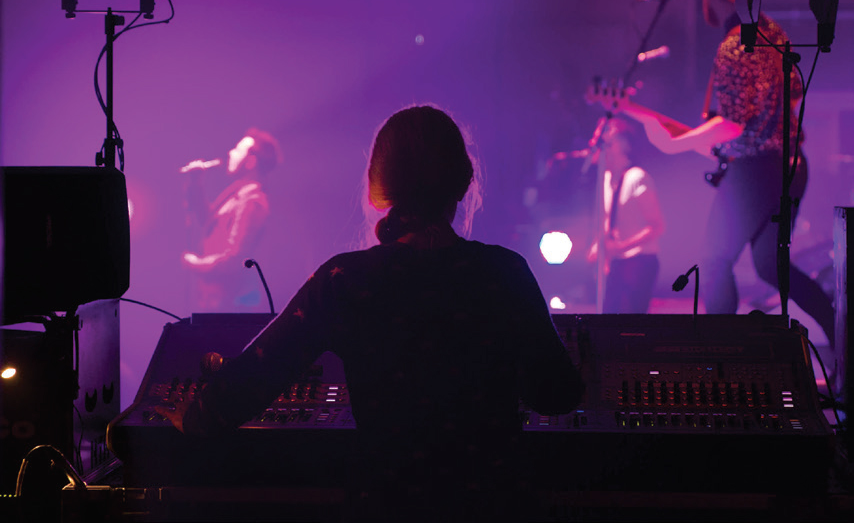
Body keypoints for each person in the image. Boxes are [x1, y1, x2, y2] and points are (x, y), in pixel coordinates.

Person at [160, 105, 585, 522]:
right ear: (464, 183)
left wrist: (194, 415)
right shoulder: (505, 272)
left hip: (388, 505)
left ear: (375, 188)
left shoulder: (345, 279)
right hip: (494, 507)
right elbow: (559, 395)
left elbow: (251, 379)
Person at [611, 0, 834, 344]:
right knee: (771, 266)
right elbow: (794, 91)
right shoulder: (774, 33)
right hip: (792, 166)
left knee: (715, 261)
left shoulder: (734, 47)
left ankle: (723, 354)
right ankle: (843, 338)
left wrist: (677, 144)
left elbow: (732, 124)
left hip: (756, 170)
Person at [181, 128, 281, 311]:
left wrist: (195, 264)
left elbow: (234, 260)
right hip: (215, 301)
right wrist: (196, 184)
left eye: (238, 149)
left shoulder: (252, 202)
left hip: (228, 305)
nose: (231, 152)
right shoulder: (239, 195)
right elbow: (210, 223)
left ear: (250, 161)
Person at [587, 117, 665, 313]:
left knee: (631, 320)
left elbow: (657, 226)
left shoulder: (637, 178)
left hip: (640, 261)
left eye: (607, 142)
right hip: (617, 262)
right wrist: (599, 246)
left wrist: (621, 247)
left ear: (618, 145)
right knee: (609, 317)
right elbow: (608, 220)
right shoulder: (606, 179)